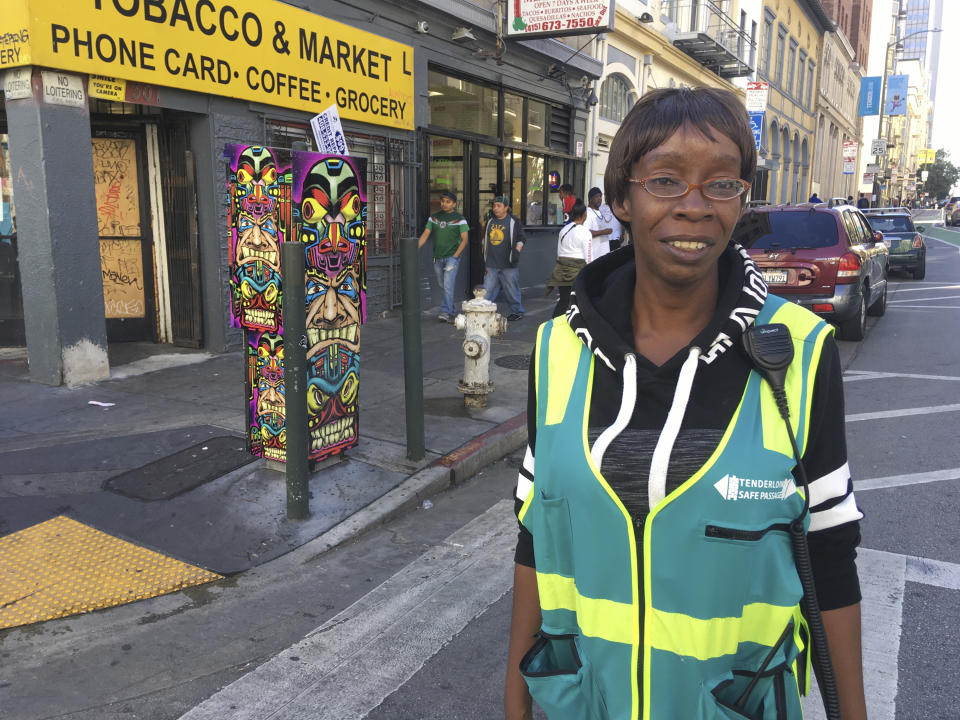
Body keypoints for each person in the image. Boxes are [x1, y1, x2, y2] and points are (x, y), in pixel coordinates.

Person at [505, 87, 867, 720]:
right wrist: (515, 705)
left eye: (721, 184)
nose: (695, 207)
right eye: (666, 180)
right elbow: (535, 537)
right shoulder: (556, 349)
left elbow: (832, 562)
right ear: (622, 196)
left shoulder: (802, 353)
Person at [418, 190, 469, 323]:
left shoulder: (460, 219)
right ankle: (451, 309)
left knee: (447, 284)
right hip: (438, 258)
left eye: (448, 202)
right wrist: (414, 248)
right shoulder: (434, 217)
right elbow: (425, 234)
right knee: (442, 284)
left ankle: (445, 312)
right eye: (442, 201)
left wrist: (455, 257)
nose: (444, 204)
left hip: (452, 257)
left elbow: (465, 240)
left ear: (453, 204)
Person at [544, 201, 592, 318]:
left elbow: (559, 253)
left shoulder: (564, 230)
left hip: (561, 269)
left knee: (564, 300)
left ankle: (554, 324)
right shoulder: (585, 232)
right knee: (578, 301)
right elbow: (589, 257)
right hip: (577, 270)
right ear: (584, 214)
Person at [482, 196, 526, 322]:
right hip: (491, 262)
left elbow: (521, 238)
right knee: (488, 289)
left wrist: (516, 251)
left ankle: (517, 311)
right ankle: (483, 312)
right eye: (494, 206)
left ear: (506, 208)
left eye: (498, 206)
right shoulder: (490, 221)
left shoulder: (513, 221)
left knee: (511, 289)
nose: (495, 208)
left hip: (509, 263)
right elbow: (485, 239)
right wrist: (484, 256)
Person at [586, 187, 613, 258]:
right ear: (590, 199)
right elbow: (586, 233)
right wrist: (603, 232)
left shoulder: (600, 212)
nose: (600, 199)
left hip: (604, 253)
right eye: (596, 196)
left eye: (600, 196)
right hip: (594, 256)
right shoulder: (587, 213)